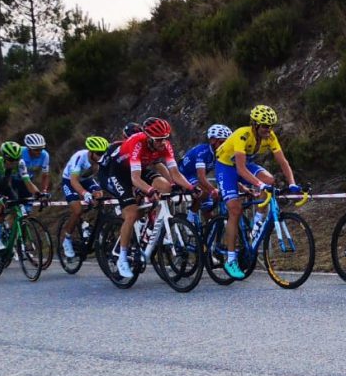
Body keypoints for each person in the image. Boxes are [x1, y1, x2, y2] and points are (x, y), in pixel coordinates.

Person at [100, 117, 195, 279]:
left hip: (137, 168)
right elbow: (135, 179)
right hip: (114, 171)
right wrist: (149, 190)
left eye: (166, 138)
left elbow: (175, 173)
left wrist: (192, 188)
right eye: (159, 139)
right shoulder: (137, 143)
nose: (163, 142)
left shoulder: (164, 144)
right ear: (148, 137)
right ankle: (122, 257)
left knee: (165, 187)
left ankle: (152, 225)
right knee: (131, 213)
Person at [214, 105, 300, 280]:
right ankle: (231, 259)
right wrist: (259, 185)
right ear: (254, 125)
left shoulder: (270, 136)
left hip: (245, 165)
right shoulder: (242, 135)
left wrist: (292, 184)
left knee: (270, 181)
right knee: (235, 209)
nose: (268, 130)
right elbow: (240, 169)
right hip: (226, 166)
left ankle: (257, 221)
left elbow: (283, 162)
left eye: (271, 126)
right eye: (265, 126)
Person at [0, 141, 43, 251]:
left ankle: (12, 235)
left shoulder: (20, 163)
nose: (14, 163)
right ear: (4, 157)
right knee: (1, 205)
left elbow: (28, 183)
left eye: (17, 159)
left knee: (17, 207)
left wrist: (38, 194)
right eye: (11, 160)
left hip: (3, 185)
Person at [59, 136, 110, 258]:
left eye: (103, 153)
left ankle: (86, 226)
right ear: (91, 152)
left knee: (99, 195)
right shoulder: (80, 158)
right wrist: (85, 194)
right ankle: (67, 238)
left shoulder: (101, 159)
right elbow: (74, 181)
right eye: (98, 153)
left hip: (86, 179)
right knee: (77, 210)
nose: (101, 156)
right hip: (69, 180)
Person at [179, 124, 232, 229]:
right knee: (203, 191)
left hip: (195, 175)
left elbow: (227, 174)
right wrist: (213, 190)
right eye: (222, 142)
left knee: (208, 210)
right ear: (213, 141)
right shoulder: (203, 152)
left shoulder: (220, 153)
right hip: (184, 175)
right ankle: (190, 219)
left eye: (227, 143)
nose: (224, 146)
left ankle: (207, 238)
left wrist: (242, 188)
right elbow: (201, 177)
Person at [17, 132, 51, 198]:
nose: (39, 152)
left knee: (27, 205)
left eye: (41, 149)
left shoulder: (45, 155)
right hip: (13, 179)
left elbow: (45, 175)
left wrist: (44, 191)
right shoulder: (19, 152)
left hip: (28, 180)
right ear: (28, 148)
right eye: (36, 149)